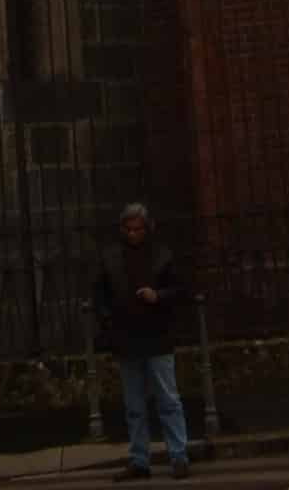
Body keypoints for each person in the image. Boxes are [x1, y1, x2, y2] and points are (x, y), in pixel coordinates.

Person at [96, 201, 189, 478]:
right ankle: (140, 459)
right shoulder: (112, 257)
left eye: (138, 229)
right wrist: (109, 319)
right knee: (135, 404)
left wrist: (157, 296)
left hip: (156, 333)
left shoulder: (161, 254)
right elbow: (99, 292)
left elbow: (180, 288)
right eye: (129, 229)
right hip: (128, 334)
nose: (134, 234)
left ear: (147, 229)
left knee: (167, 399)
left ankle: (178, 455)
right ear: (123, 229)